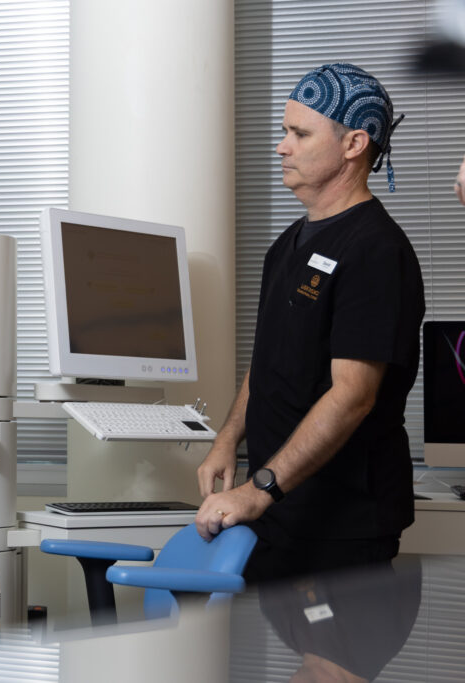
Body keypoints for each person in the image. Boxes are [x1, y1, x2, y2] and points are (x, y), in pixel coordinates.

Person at [194, 63, 425, 583]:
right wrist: (228, 439)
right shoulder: (286, 246)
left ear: (353, 144)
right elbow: (269, 362)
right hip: (280, 515)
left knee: (333, 666)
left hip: (340, 525)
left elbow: (353, 396)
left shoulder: (375, 250)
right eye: (284, 131)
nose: (282, 147)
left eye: (299, 133)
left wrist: (258, 490)